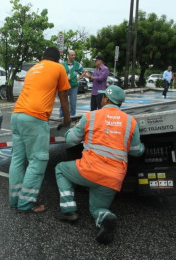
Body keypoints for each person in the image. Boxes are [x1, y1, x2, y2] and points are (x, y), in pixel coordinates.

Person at [55, 85, 145, 244]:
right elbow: (136, 151)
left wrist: (71, 129)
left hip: (88, 171)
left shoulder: (91, 116)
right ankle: (105, 217)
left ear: (106, 99)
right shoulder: (131, 122)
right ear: (120, 103)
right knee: (97, 209)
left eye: (103, 97)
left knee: (60, 169)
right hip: (112, 179)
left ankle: (68, 210)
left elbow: (70, 140)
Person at [9, 47, 71, 213]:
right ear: (57, 59)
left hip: (17, 115)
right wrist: (67, 119)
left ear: (43, 57)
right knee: (37, 161)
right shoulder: (59, 68)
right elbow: (64, 96)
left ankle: (14, 199)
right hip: (35, 118)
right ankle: (26, 203)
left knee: (18, 159)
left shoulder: (33, 68)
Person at [59, 50, 87, 117]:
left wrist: (80, 77)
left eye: (74, 55)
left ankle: (72, 116)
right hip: (65, 86)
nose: (73, 56)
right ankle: (61, 116)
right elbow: (59, 74)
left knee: (73, 102)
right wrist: (65, 77)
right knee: (63, 102)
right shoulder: (62, 65)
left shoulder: (77, 64)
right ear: (68, 56)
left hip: (74, 86)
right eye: (72, 55)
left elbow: (84, 71)